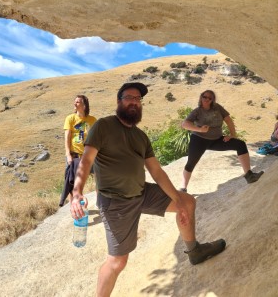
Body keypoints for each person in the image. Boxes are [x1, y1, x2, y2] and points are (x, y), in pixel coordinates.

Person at [71, 83, 226, 297]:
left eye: (138, 99)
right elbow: (86, 161)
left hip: (141, 192)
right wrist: (77, 191)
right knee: (117, 262)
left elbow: (157, 172)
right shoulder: (104, 126)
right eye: (129, 97)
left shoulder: (141, 136)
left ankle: (195, 251)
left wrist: (178, 201)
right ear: (119, 102)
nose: (135, 101)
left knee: (188, 202)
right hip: (116, 202)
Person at [180, 90, 264, 192]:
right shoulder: (197, 111)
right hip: (199, 140)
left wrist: (233, 135)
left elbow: (228, 120)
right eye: (204, 96)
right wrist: (200, 129)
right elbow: (185, 124)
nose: (207, 99)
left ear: (213, 100)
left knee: (240, 144)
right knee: (191, 162)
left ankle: (249, 175)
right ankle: (183, 188)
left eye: (209, 98)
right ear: (201, 97)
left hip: (216, 140)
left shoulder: (218, 108)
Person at [60, 95, 97, 206]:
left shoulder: (92, 120)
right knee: (73, 182)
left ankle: (100, 203)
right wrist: (68, 155)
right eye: (74, 102)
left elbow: (96, 137)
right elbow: (67, 137)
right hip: (74, 155)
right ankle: (74, 207)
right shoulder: (70, 118)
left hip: (89, 155)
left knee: (98, 178)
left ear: (84, 105)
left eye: (77, 102)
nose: (74, 104)